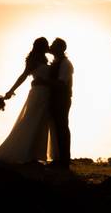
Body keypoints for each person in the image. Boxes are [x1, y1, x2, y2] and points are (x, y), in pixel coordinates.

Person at [0, 38, 55, 164]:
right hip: (38, 93)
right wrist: (10, 91)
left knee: (41, 122)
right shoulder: (33, 61)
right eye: (46, 45)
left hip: (46, 94)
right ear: (41, 47)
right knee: (31, 120)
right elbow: (23, 77)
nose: (48, 46)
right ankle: (25, 153)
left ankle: (35, 154)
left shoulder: (46, 60)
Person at [48, 38, 73, 168]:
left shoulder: (65, 64)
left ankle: (64, 161)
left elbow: (62, 83)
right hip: (56, 99)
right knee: (57, 128)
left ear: (60, 48)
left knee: (62, 128)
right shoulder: (57, 62)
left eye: (53, 45)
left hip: (62, 100)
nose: (50, 46)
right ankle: (59, 159)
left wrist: (44, 81)